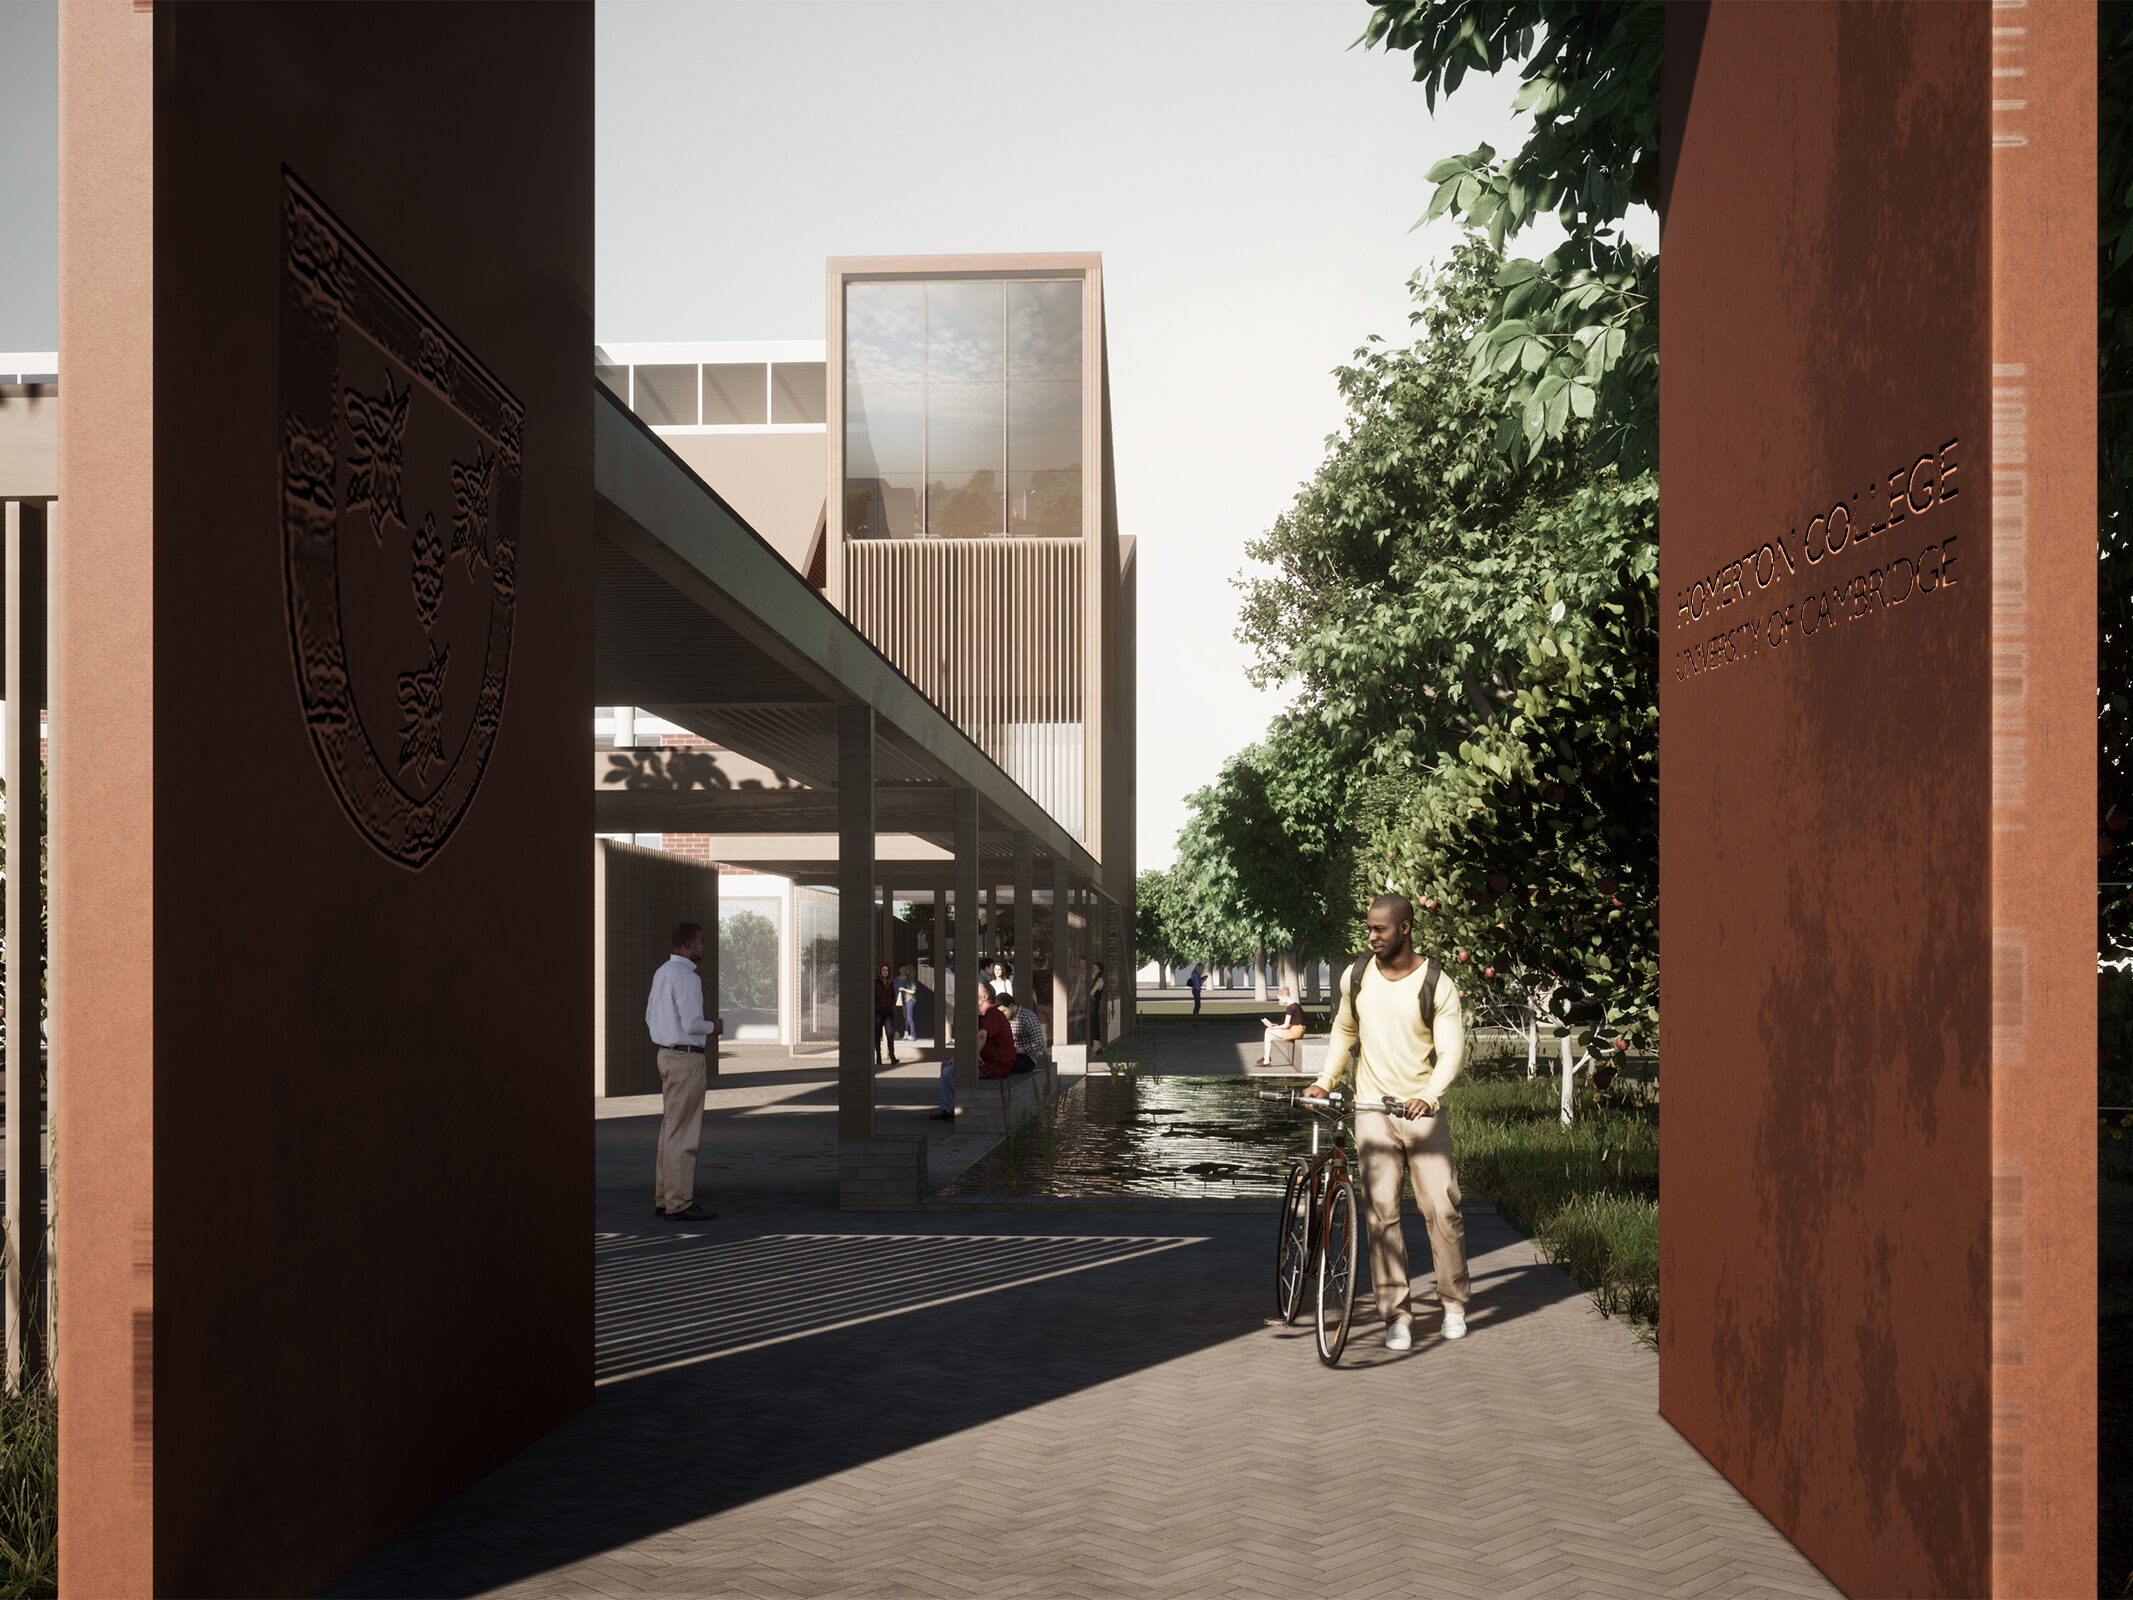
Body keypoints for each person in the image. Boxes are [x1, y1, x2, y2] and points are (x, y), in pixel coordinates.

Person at [1304, 893, 1469, 1347]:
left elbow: (1452, 1050)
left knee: (1442, 1210)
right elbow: (1344, 1029)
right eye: (1369, 928)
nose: (1371, 936)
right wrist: (1325, 1079)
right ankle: (1396, 1315)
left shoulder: (1437, 982)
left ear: (1405, 928)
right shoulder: (1356, 976)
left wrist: (1429, 1096)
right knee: (1381, 1215)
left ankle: (1453, 1304)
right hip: (1372, 1111)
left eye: (1380, 929)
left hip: (1421, 1111)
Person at [644, 921, 722, 1224]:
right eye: (701, 941)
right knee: (684, 1132)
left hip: (665, 1054)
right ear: (687, 945)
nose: (704, 945)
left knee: (669, 1130)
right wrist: (714, 1027)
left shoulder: (662, 973)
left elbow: (650, 1017)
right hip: (686, 1059)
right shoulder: (687, 978)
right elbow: (692, 1024)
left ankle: (664, 1198)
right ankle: (679, 1202)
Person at [1257, 982, 1307, 1068]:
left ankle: (1266, 1059)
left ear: (1284, 996)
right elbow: (1293, 1023)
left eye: (1280, 999)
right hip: (1297, 1030)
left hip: (1295, 1031)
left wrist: (1275, 1027)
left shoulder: (1290, 1008)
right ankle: (1266, 1059)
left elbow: (1285, 1025)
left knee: (1268, 1031)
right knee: (1269, 1036)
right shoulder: (1296, 1006)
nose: (1280, 1001)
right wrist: (1276, 1027)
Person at [976, 982, 1016, 1079]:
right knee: (947, 1065)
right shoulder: (989, 1014)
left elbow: (982, 1035)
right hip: (992, 1063)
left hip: (995, 1067)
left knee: (949, 1071)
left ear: (985, 997)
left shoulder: (992, 1014)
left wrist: (974, 1054)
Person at [1009, 993, 1048, 1074]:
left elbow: (1040, 1045)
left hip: (1026, 1058)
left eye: (1003, 1011)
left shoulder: (1028, 1017)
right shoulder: (1004, 1017)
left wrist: (1017, 1050)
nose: (1001, 1014)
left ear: (1011, 1005)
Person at [873, 961, 899, 1066]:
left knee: (890, 1034)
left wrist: (891, 1004)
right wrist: (878, 1005)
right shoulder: (876, 983)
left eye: (887, 970)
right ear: (880, 971)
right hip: (878, 1012)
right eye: (883, 970)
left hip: (888, 1012)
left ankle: (892, 1056)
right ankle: (878, 1057)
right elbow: (873, 997)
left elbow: (893, 995)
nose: (885, 972)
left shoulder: (890, 983)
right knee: (877, 1034)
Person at [1088, 961, 1107, 1058]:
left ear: (1100, 970)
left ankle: (1096, 1047)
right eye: (1093, 968)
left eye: (1095, 968)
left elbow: (1091, 992)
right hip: (1092, 1004)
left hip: (1094, 1004)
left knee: (1094, 1024)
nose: (1093, 970)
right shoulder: (1095, 979)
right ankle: (1097, 1047)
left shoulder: (1099, 981)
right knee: (1093, 1023)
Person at [897, 963, 919, 1042]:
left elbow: (913, 991)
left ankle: (913, 1035)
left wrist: (903, 989)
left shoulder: (912, 979)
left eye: (906, 969)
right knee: (908, 1017)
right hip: (907, 999)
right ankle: (911, 1034)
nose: (905, 971)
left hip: (910, 999)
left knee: (909, 1018)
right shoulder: (909, 979)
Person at [1188, 962, 1206, 1027]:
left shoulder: (1194, 973)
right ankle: (1195, 1022)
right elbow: (1198, 984)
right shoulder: (1195, 974)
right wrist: (1203, 980)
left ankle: (1195, 1021)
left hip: (1196, 990)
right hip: (1196, 990)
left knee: (1197, 1006)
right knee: (1197, 1006)